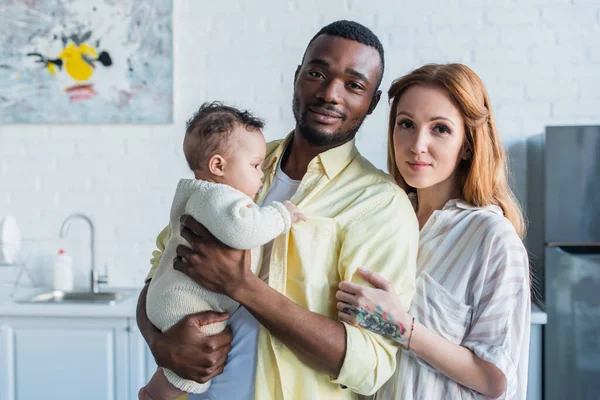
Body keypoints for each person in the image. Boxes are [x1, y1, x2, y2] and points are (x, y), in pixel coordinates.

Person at [137, 20, 420, 400]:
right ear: (297, 77)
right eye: (317, 73)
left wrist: (242, 286)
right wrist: (160, 343)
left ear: (372, 101)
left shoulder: (380, 204)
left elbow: (370, 365)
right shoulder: (238, 160)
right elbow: (159, 267)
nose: (331, 94)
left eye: (354, 85)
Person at [336, 63, 531, 399]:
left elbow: (496, 379)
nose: (417, 144)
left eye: (440, 129)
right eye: (406, 124)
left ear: (468, 144)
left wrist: (401, 326)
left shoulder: (491, 237)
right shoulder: (381, 219)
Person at [139, 102, 305, 400]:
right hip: (186, 303)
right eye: (255, 166)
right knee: (196, 365)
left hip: (172, 297)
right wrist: (283, 215)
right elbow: (245, 231)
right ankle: (154, 395)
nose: (262, 174)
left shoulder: (201, 194)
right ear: (218, 166)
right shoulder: (218, 198)